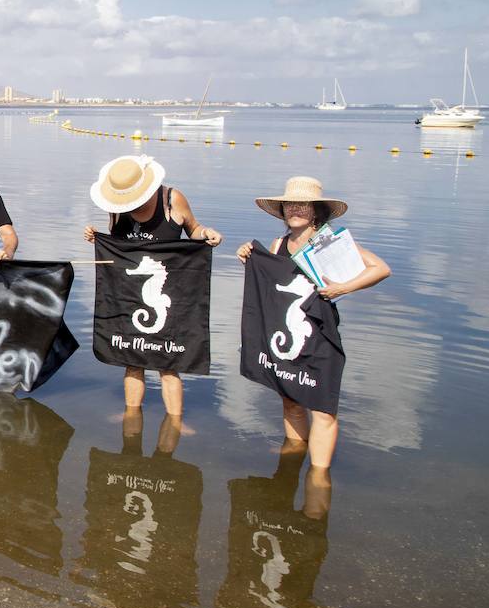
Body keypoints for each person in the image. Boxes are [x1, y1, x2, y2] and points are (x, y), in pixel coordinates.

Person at [236, 176, 390, 468]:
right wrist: (248, 256)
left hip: (320, 336)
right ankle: (294, 456)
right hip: (285, 333)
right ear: (281, 210)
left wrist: (343, 288)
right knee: (291, 399)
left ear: (316, 211)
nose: (295, 209)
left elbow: (381, 268)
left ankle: (319, 479)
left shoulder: (328, 243)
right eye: (289, 204)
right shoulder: (279, 243)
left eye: (303, 205)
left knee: (323, 409)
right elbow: (272, 282)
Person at [83, 155, 222, 416]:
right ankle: (131, 418)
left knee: (168, 363)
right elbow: (119, 250)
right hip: (129, 293)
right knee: (132, 359)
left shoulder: (172, 200)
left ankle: (175, 424)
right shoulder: (116, 208)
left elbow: (194, 229)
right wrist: (97, 239)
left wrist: (206, 235)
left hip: (169, 291)